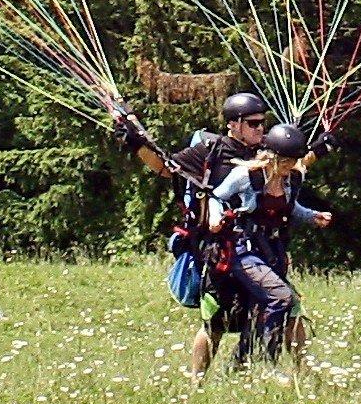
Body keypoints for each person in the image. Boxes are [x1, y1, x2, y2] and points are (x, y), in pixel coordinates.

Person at [117, 92, 270, 377]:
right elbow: (166, 167)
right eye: (253, 123)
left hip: (258, 248)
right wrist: (137, 143)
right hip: (218, 250)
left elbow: (293, 167)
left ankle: (242, 372)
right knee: (216, 320)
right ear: (234, 124)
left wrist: (321, 148)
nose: (260, 129)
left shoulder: (265, 152)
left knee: (261, 311)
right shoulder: (209, 150)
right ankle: (197, 380)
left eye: (263, 123)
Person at [203, 123, 334, 375]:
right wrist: (214, 218)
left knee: (262, 306)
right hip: (243, 250)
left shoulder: (293, 177)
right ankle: (265, 360)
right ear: (272, 158)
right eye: (286, 163)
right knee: (281, 297)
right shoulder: (247, 176)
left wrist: (312, 216)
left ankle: (240, 363)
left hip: (271, 251)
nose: (290, 169)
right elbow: (215, 197)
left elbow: (290, 207)